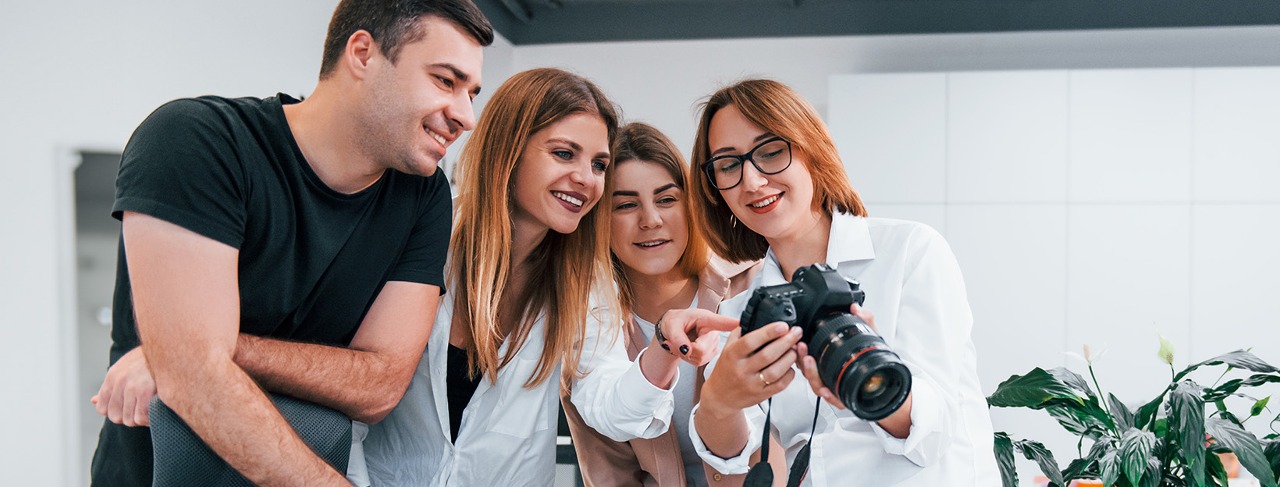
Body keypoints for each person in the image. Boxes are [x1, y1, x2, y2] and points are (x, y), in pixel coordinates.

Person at [87, 1, 492, 485]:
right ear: (362, 53)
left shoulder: (422, 196)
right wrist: (189, 359)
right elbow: (197, 380)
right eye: (446, 81)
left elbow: (380, 386)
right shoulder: (197, 142)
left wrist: (201, 351)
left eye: (472, 92)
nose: (466, 116)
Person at [358, 68, 725, 486]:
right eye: (564, 154)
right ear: (508, 150)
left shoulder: (585, 280)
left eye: (598, 164)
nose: (586, 179)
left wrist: (663, 347)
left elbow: (609, 408)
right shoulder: (426, 236)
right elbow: (353, 398)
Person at [667, 79, 1000, 486]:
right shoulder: (741, 311)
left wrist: (866, 377)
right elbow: (739, 465)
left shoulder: (909, 252)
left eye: (771, 152)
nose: (752, 182)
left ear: (810, 150)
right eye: (729, 165)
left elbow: (937, 433)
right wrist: (718, 404)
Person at [559, 122, 784, 486]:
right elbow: (609, 463)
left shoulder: (752, 285)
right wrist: (663, 346)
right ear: (599, 220)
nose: (650, 220)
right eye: (626, 205)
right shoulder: (584, 318)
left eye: (666, 199)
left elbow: (776, 434)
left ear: (691, 205)